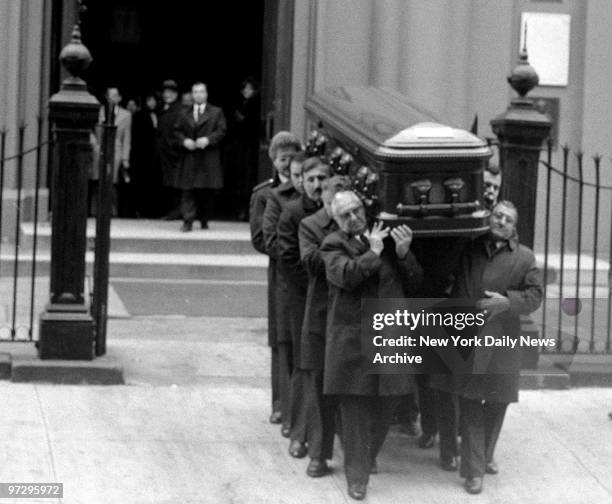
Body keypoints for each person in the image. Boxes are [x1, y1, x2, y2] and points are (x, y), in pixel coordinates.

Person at [320, 191, 423, 500]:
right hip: (353, 342)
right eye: (345, 215)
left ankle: (366, 457)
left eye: (356, 211)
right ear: (336, 220)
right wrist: (373, 253)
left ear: (364, 209)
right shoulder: (333, 245)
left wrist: (404, 254)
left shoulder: (386, 239)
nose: (353, 218)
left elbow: (416, 284)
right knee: (355, 411)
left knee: (388, 405)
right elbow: (346, 276)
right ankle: (357, 478)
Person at [444, 200, 543, 495]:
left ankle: (483, 456)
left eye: (508, 219)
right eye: (497, 215)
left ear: (515, 228)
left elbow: (535, 296)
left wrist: (508, 302)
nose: (500, 222)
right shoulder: (471, 247)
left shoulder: (524, 257)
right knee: (472, 401)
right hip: (471, 339)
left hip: (503, 341)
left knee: (497, 402)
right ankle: (474, 472)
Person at [298, 175, 352, 477]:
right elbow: (312, 262)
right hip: (320, 313)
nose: (342, 211)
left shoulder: (356, 225)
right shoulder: (311, 225)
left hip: (349, 317)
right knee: (317, 387)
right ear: (325, 202)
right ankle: (318, 455)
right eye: (334, 204)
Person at [278, 157, 330, 460]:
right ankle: (299, 434)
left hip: (330, 299)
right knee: (304, 364)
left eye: (321, 178)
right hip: (303, 297)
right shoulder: (293, 212)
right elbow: (288, 259)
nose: (316, 185)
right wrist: (315, 286)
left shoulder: (335, 211)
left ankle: (322, 435)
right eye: (310, 179)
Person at [249, 131, 302, 425]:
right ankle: (280, 402)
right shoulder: (264, 195)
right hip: (282, 272)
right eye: (283, 159)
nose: (287, 165)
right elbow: (259, 239)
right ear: (273, 160)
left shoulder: (306, 190)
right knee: (281, 338)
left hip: (299, 273)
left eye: (293, 158)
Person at [262, 148, 305, 438]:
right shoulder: (275, 198)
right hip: (289, 284)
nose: (301, 181)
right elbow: (268, 240)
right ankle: (287, 411)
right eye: (299, 176)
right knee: (287, 349)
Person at [174, 82, 227, 231]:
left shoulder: (216, 112)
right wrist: (184, 141)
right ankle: (188, 220)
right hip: (190, 156)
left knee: (206, 190)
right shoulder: (184, 112)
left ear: (206, 94)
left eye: (201, 91)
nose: (198, 94)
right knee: (187, 189)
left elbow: (222, 131)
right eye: (195, 92)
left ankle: (204, 219)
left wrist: (208, 140)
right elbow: (176, 131)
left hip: (208, 156)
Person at [89, 86, 132, 217]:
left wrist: (125, 158)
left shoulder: (126, 115)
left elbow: (127, 137)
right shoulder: (98, 112)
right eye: (110, 96)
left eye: (115, 96)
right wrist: (94, 144)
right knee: (97, 180)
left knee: (111, 182)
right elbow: (89, 130)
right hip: (98, 149)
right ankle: (95, 210)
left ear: (119, 98)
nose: (112, 99)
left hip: (116, 151)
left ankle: (111, 211)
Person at [225, 77, 261, 220]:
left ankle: (246, 210)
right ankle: (239, 209)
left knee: (248, 178)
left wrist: (244, 120)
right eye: (245, 89)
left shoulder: (257, 104)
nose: (247, 91)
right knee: (238, 177)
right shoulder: (240, 104)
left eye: (250, 88)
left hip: (250, 147)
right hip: (238, 146)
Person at [130, 93, 161, 217]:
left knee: (153, 184)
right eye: (150, 100)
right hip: (142, 155)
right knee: (141, 183)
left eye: (154, 100)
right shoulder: (139, 115)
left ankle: (152, 211)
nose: (152, 103)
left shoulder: (160, 114)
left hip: (155, 155)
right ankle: (140, 210)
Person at [157, 79, 184, 220]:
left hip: (173, 153)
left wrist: (174, 146)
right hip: (164, 153)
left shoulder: (179, 109)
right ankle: (172, 210)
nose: (167, 95)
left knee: (175, 183)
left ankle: (177, 211)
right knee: (168, 183)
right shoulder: (163, 109)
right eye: (165, 92)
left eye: (170, 92)